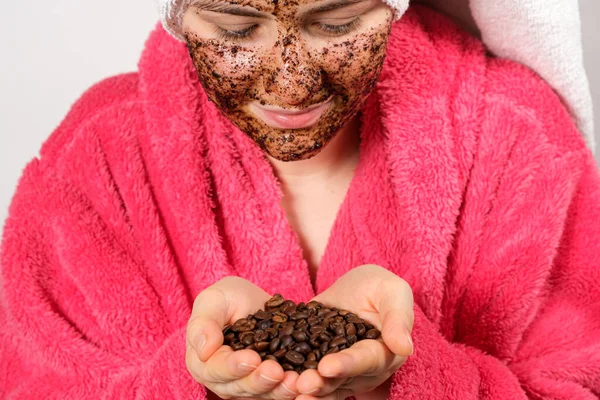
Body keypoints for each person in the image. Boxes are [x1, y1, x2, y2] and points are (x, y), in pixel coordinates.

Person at [1, 0, 599, 398]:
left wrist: (407, 375)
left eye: (336, 21)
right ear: (178, 14)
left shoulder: (517, 138)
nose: (290, 85)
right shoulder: (98, 159)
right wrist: (191, 382)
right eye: (236, 29)